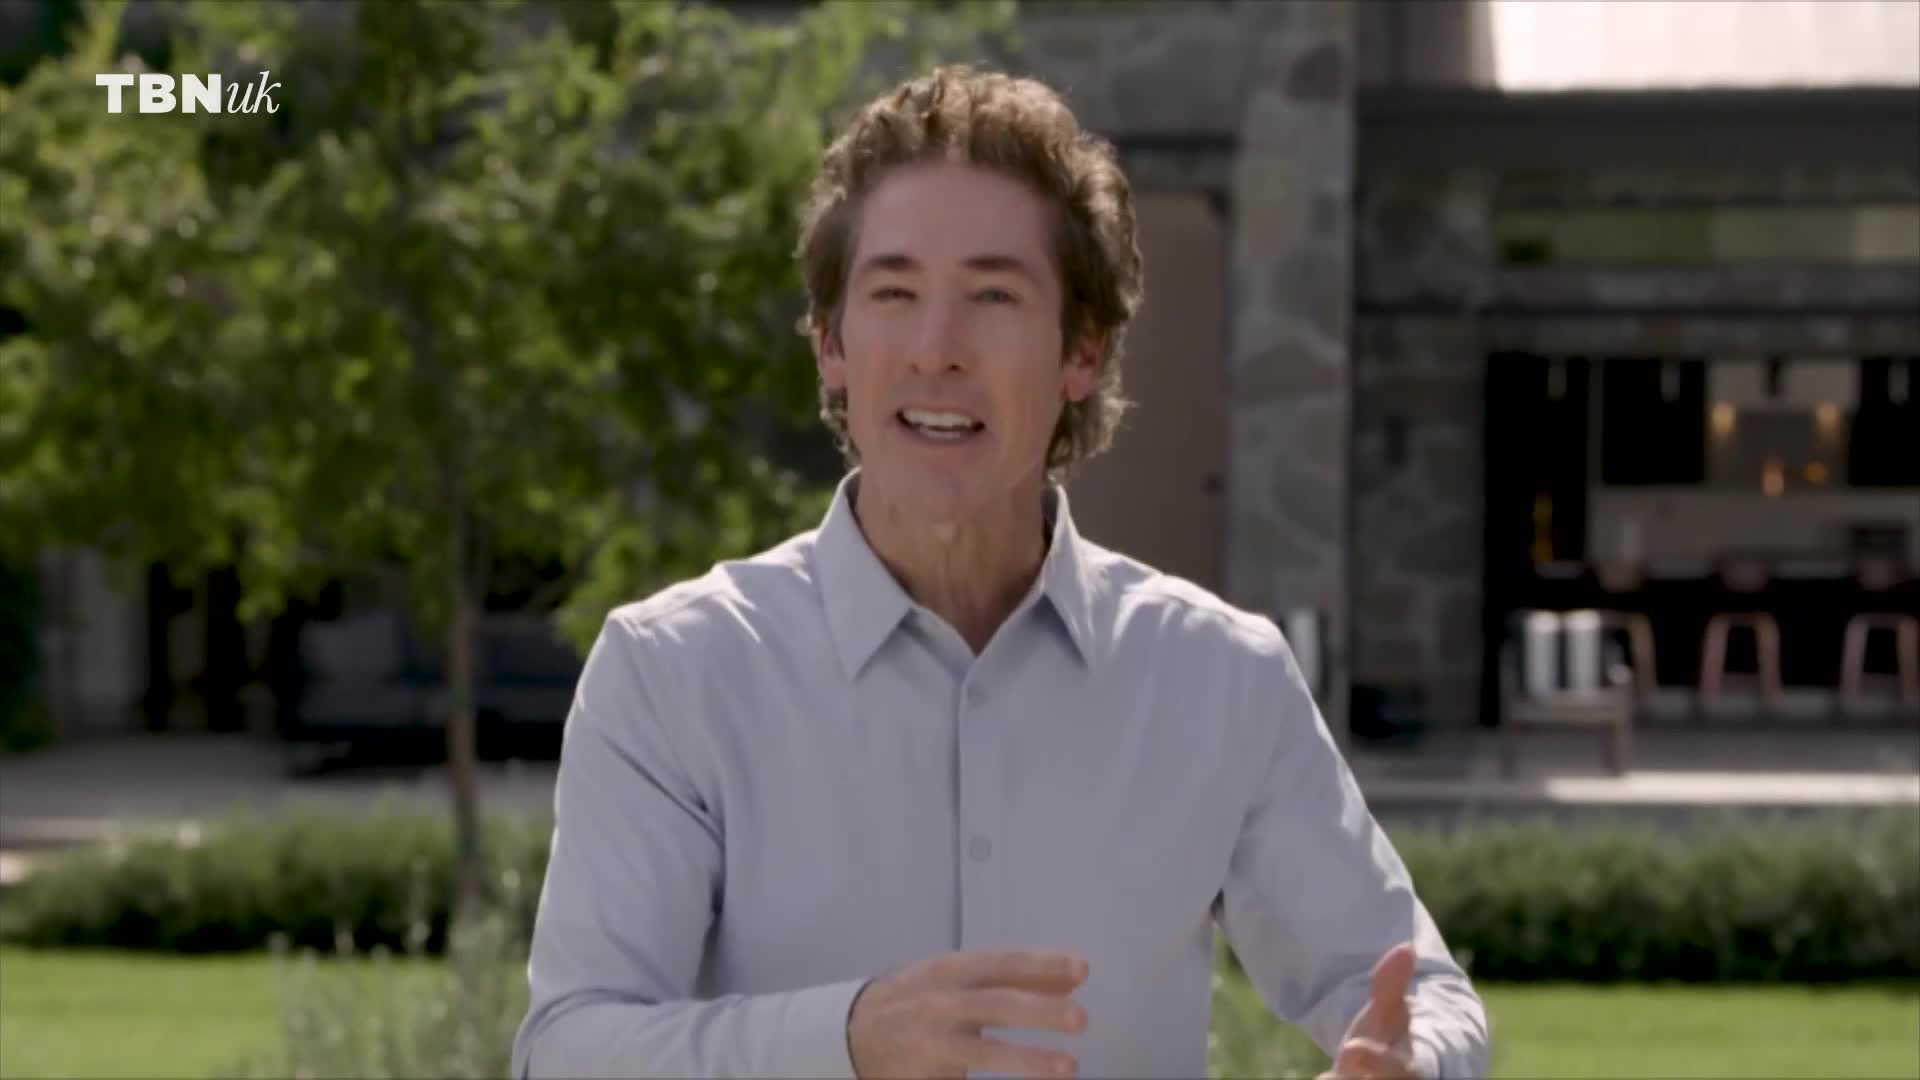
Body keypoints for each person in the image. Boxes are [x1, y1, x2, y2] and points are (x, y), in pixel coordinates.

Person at [511, 65, 1490, 1080]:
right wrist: (844, 1040)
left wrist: (1412, 1066)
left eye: (991, 294)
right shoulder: (671, 675)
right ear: (831, 347)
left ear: (1082, 353)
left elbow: (1418, 992)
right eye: (894, 293)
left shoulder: (1220, 677)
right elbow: (571, 1050)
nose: (938, 350)